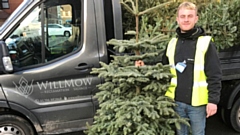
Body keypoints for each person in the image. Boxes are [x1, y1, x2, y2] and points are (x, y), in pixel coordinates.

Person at [136, 1, 222, 135]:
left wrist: (213, 101)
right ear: (177, 19)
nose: (186, 19)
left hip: (197, 105)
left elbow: (215, 74)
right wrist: (145, 64)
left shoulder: (205, 43)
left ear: (196, 18)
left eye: (190, 16)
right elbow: (162, 64)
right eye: (183, 16)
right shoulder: (172, 43)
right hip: (177, 102)